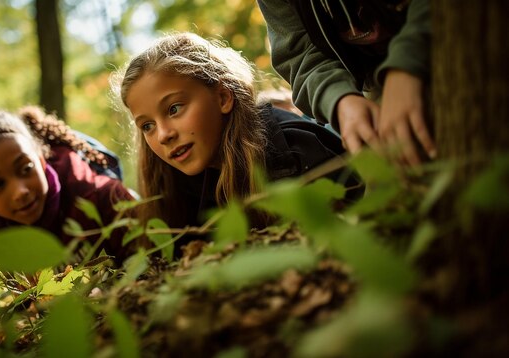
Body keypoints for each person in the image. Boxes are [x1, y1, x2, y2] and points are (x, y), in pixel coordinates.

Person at [110, 32, 362, 254]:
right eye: (147, 126)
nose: (163, 135)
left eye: (174, 108)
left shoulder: (295, 150)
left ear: (222, 97)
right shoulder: (175, 187)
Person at [256, 0, 436, 166]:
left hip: (438, 47)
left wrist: (405, 64)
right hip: (371, 87)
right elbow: (299, 53)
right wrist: (341, 99)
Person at [0, 106, 136, 263]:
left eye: (26, 168)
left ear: (41, 160)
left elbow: (148, 260)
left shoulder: (101, 195)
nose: (20, 192)